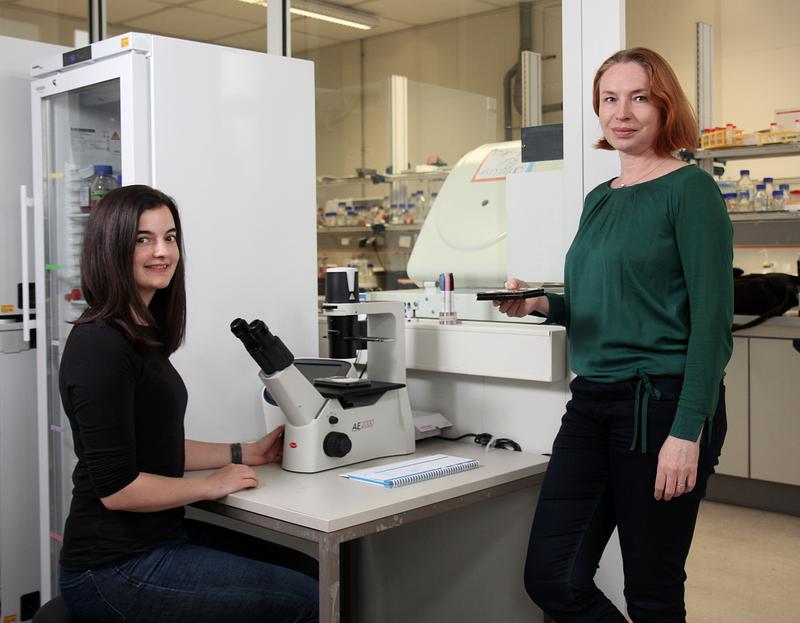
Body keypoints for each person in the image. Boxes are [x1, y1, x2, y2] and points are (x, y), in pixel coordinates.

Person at [499, 48, 732, 622]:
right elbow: (599, 302)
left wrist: (688, 431)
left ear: (664, 105)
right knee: (552, 577)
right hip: (593, 401)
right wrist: (539, 303)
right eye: (609, 98)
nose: (621, 112)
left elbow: (712, 323)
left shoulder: (690, 191)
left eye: (638, 97)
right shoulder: (600, 198)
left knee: (651, 589)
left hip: (662, 405)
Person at [58, 185, 319, 623]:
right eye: (143, 239)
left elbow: (155, 447)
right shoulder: (99, 346)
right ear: (112, 247)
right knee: (305, 599)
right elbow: (118, 489)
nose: (162, 251)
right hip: (111, 568)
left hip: (158, 538)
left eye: (171, 237)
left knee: (312, 569)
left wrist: (245, 452)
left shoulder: (139, 333)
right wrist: (210, 484)